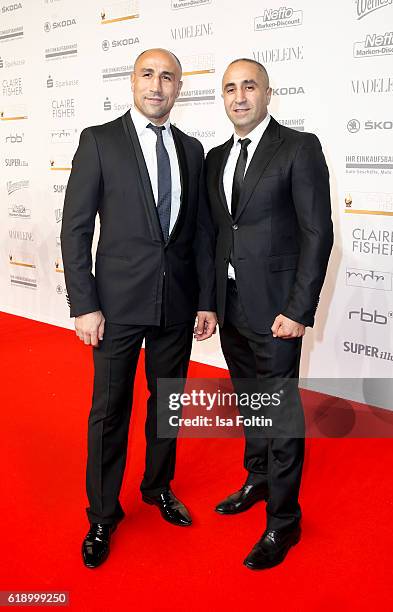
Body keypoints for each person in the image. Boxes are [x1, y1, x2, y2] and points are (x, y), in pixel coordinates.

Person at [61, 48, 217, 569]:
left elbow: (198, 234)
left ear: (179, 87)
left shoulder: (193, 151)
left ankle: (158, 486)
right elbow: (76, 228)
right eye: (148, 75)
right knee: (109, 412)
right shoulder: (99, 141)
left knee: (166, 405)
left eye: (168, 76)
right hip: (116, 306)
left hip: (176, 304)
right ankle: (103, 514)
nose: (157, 85)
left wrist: (204, 302)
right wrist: (85, 305)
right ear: (132, 82)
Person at [205, 58, 333, 570]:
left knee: (280, 414)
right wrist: (209, 304)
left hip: (279, 312)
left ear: (267, 93)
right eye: (230, 88)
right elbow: (217, 236)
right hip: (232, 309)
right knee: (250, 402)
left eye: (249, 86)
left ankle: (284, 522)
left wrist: (298, 309)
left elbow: (316, 234)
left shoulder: (299, 148)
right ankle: (257, 479)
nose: (239, 97)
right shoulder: (216, 158)